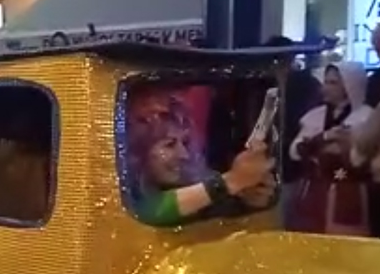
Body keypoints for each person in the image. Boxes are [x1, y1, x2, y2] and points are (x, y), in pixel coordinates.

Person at [128, 91, 275, 227]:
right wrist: (232, 181)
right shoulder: (124, 197)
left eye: (185, 142)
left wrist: (251, 197)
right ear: (137, 151)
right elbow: (144, 211)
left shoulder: (195, 180)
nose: (184, 154)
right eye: (169, 144)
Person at [289, 62, 373, 236]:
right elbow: (295, 152)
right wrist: (323, 139)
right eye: (325, 82)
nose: (325, 88)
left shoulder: (367, 118)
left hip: (349, 195)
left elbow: (363, 159)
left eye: (333, 83)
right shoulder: (315, 116)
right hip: (313, 195)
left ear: (350, 86)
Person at [262, 36, 322, 230]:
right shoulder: (260, 85)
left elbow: (312, 121)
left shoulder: (306, 85)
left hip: (294, 166)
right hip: (267, 163)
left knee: (290, 218)